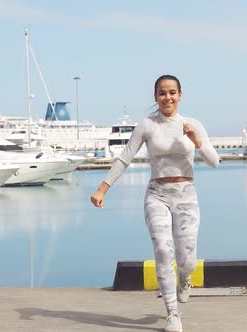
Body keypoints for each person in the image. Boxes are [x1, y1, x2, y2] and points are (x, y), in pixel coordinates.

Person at [90, 74, 220, 332]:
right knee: (162, 249)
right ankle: (172, 313)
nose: (167, 97)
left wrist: (196, 141)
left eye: (172, 92)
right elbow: (125, 157)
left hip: (186, 195)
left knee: (187, 259)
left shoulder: (192, 124)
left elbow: (214, 161)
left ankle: (185, 277)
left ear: (180, 95)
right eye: (162, 93)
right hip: (157, 194)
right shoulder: (147, 125)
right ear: (155, 97)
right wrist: (102, 189)